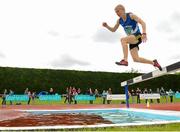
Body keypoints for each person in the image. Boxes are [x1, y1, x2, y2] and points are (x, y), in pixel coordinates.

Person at [102, 4, 162, 71]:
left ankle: (125, 60)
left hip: (138, 36)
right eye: (115, 12)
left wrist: (144, 33)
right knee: (136, 59)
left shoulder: (131, 16)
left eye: (118, 11)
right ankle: (154, 62)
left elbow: (143, 23)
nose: (117, 13)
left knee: (123, 40)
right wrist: (107, 26)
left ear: (123, 10)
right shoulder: (119, 21)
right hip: (131, 40)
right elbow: (113, 30)